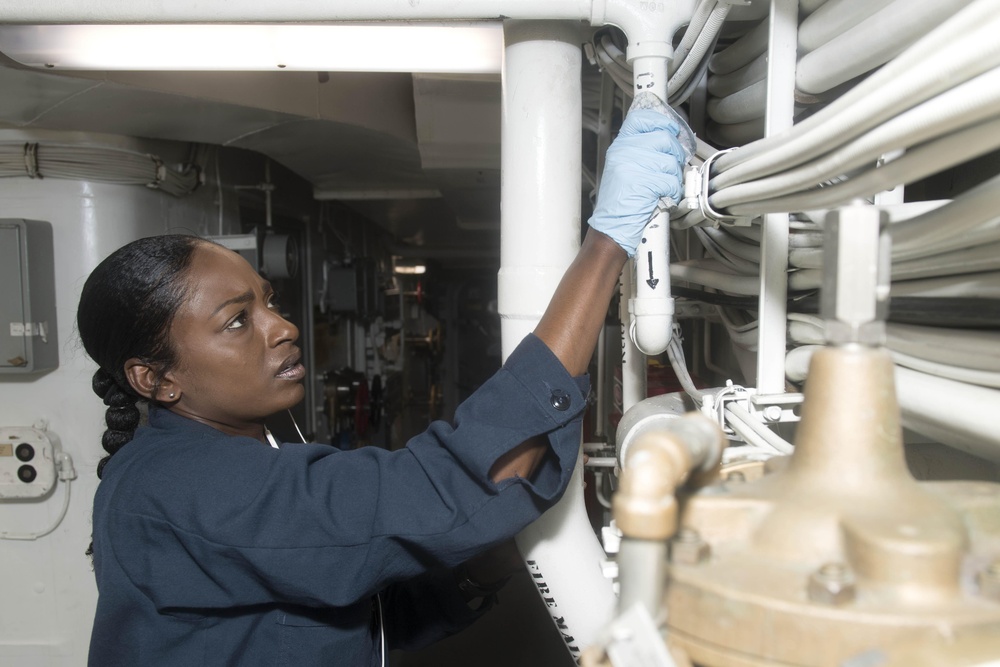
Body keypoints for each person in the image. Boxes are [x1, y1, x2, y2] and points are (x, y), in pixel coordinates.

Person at [76, 106, 688, 666]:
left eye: (269, 302)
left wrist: (480, 564)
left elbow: (334, 619)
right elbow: (453, 485)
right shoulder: (184, 485)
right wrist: (607, 243)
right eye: (238, 321)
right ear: (155, 379)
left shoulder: (234, 453)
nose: (284, 327)